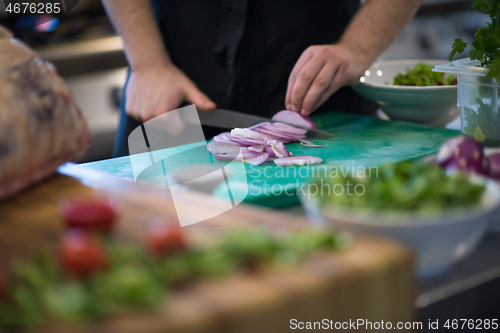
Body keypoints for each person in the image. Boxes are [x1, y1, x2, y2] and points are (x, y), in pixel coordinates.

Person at [102, 0, 423, 157]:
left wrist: (358, 47)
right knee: (152, 251)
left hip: (320, 95)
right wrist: (147, 61)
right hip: (167, 93)